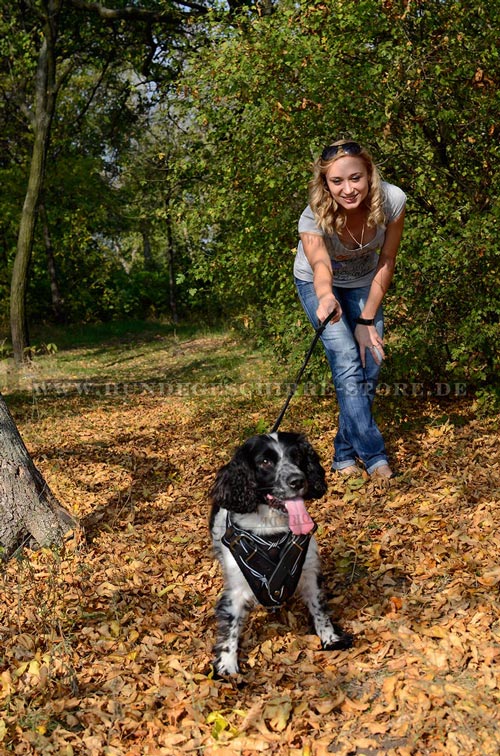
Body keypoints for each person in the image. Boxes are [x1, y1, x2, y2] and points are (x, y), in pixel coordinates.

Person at [294, 139, 406, 479]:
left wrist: (366, 318)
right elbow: (319, 262)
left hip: (365, 284)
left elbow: (387, 258)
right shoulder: (313, 214)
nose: (348, 189)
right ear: (325, 184)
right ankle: (375, 458)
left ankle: (343, 456)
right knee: (345, 361)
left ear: (370, 174)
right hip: (316, 283)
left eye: (355, 178)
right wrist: (326, 296)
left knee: (369, 363)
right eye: (337, 181)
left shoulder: (392, 200)